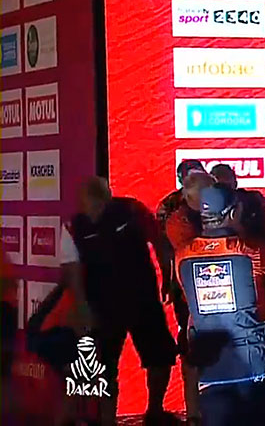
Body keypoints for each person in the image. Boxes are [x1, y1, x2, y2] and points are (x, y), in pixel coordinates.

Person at [60, 176, 177, 424]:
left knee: (160, 356)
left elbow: (159, 241)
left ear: (107, 198)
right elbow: (72, 270)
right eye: (90, 205)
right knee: (104, 363)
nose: (94, 210)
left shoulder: (133, 210)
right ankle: (107, 419)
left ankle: (155, 410)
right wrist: (82, 306)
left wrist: (168, 277)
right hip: (102, 304)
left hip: (142, 297)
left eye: (98, 204)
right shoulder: (73, 226)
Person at [167, 179, 265, 426]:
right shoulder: (251, 250)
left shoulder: (182, 255)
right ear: (232, 213)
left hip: (211, 372)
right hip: (255, 366)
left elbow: (189, 299)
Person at [155, 159, 206, 423]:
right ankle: (194, 412)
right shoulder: (170, 207)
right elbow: (165, 246)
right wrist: (167, 279)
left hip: (222, 286)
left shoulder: (221, 200)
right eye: (190, 178)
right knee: (189, 346)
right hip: (185, 285)